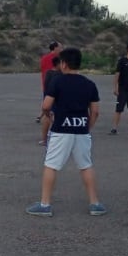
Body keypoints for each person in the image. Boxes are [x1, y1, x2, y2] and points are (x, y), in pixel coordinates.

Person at [26, 47, 107, 217]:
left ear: (63, 63)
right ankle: (95, 204)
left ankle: (45, 204)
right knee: (85, 165)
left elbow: (46, 106)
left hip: (61, 129)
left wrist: (50, 116)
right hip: (82, 130)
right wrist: (88, 126)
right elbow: (95, 111)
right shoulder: (89, 84)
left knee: (51, 165)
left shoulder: (57, 81)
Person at [39, 56, 63, 146]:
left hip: (49, 97)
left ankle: (45, 139)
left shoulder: (48, 73)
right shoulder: (59, 74)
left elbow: (46, 87)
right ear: (58, 64)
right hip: (57, 99)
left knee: (48, 117)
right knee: (53, 118)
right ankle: (53, 138)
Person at [37, 42, 62, 123]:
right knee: (54, 104)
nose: (61, 49)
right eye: (60, 47)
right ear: (55, 48)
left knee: (47, 102)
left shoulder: (44, 58)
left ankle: (40, 117)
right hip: (55, 85)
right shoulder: (57, 59)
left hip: (46, 83)